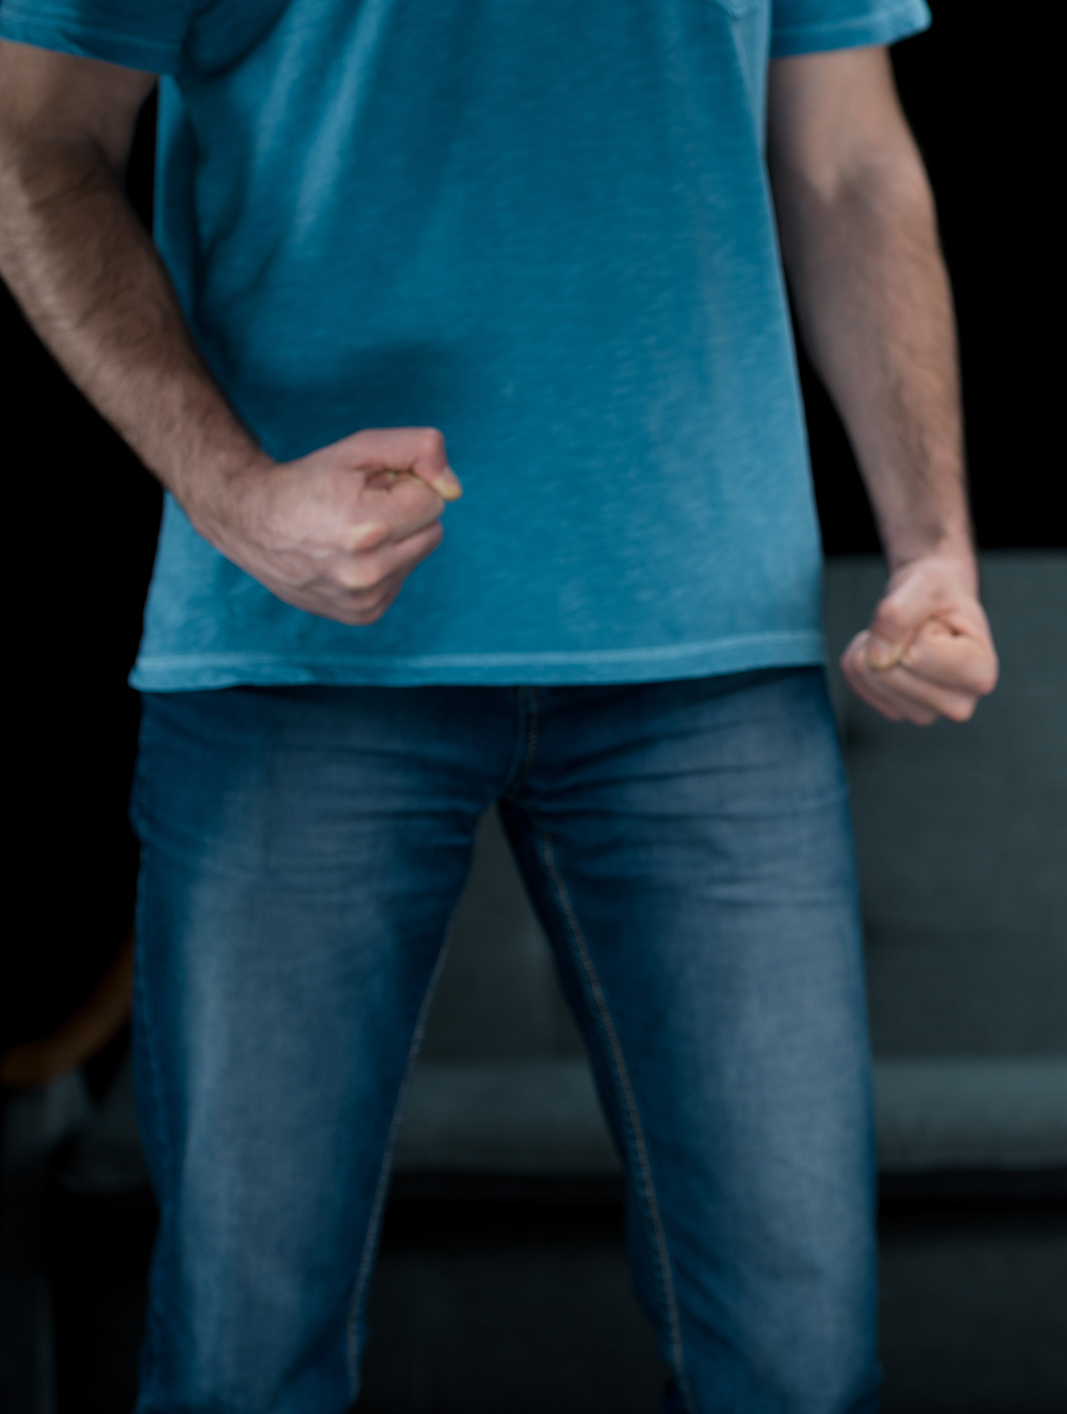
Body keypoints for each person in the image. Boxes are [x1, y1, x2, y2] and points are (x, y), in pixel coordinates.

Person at [0, 0, 995, 1408]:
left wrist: (932, 547)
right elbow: (32, 139)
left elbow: (848, 160)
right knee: (240, 1361)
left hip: (709, 663)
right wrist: (238, 498)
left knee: (800, 1365)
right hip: (295, 658)